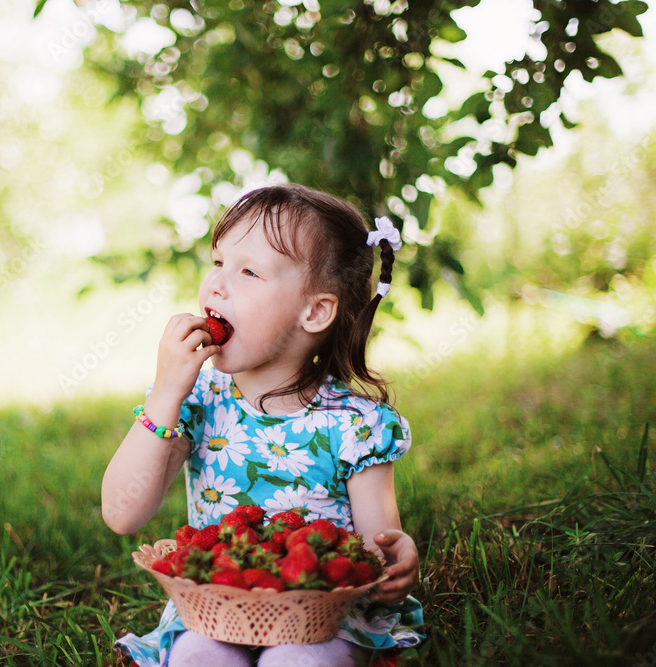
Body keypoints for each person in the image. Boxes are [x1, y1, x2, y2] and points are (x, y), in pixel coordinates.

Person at [102, 184, 424, 667]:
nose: (216, 285)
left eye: (248, 271)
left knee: (297, 662)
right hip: (217, 606)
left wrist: (400, 561)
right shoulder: (196, 399)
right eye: (217, 263)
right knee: (196, 659)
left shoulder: (358, 425)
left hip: (319, 617)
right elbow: (122, 513)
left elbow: (377, 553)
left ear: (314, 311)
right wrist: (167, 392)